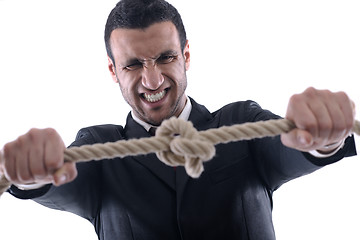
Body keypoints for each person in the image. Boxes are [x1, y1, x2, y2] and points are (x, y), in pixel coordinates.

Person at [0, 0, 357, 239]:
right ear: (113, 70)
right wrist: (34, 173)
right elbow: (59, 182)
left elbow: (290, 149)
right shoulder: (99, 148)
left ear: (186, 55)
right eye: (134, 64)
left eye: (166, 58)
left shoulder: (239, 122)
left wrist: (322, 136)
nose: (152, 80)